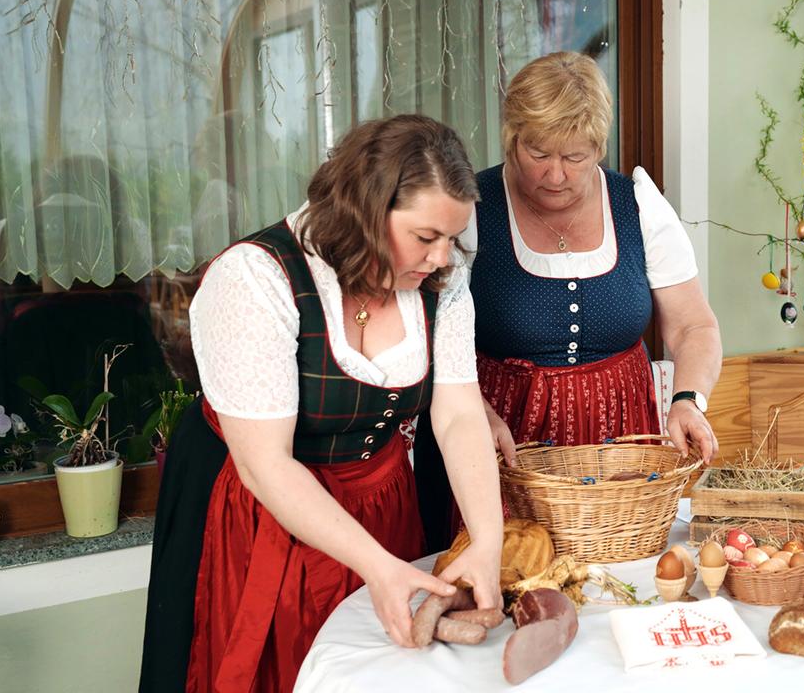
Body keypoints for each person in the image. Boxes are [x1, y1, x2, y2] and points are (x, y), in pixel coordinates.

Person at [139, 115, 504, 692]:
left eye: (452, 238)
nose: (442, 257)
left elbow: (458, 411)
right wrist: (377, 565)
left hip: (382, 502)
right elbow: (267, 464)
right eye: (426, 237)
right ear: (364, 212)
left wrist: (488, 539)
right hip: (264, 513)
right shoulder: (257, 278)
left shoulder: (442, 276)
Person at [415, 51, 722, 548]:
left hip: (621, 441)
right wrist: (473, 412)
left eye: (574, 158)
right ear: (512, 139)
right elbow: (425, 333)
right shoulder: (470, 209)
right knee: (513, 573)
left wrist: (688, 399)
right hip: (503, 440)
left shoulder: (637, 204)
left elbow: (693, 326)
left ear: (598, 148)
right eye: (538, 153)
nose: (555, 175)